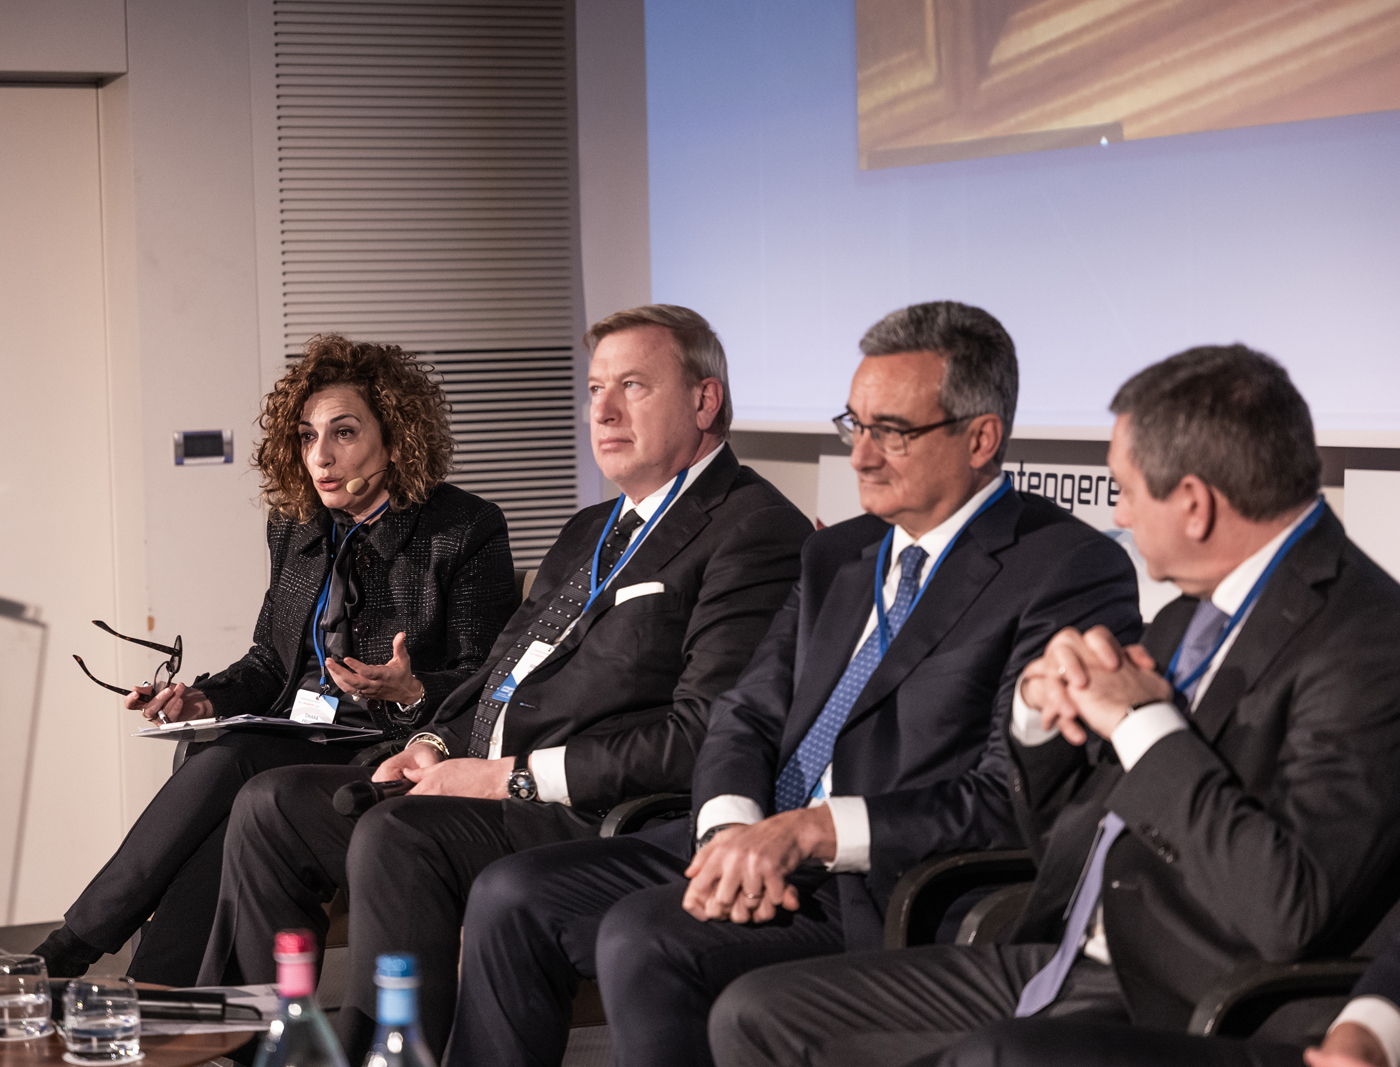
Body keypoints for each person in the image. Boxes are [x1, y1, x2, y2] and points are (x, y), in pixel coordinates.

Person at [446, 300, 1144, 1067]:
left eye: (892, 432)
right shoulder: (838, 553)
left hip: (885, 876)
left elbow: (1007, 793)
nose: (861, 456)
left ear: (980, 437)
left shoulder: (1066, 568)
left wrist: (812, 831)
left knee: (645, 936)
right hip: (754, 833)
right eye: (856, 425)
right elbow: (745, 714)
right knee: (512, 895)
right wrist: (729, 827)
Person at [706, 344, 1400, 1067]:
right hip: (1061, 950)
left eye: (1125, 490)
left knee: (1000, 1056)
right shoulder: (1187, 616)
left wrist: (1141, 723)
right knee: (756, 1015)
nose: (1118, 512)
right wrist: (1039, 716)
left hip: (1188, 994)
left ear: (1194, 505)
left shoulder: (1366, 643)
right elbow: (1062, 834)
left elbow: (1287, 905)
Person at [194, 303, 815, 1061]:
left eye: (633, 387)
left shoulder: (753, 529)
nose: (604, 411)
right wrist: (431, 744)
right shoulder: (590, 527)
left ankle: (383, 1052)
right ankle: (259, 1049)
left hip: (585, 808)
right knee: (271, 806)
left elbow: (701, 734)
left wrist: (505, 777)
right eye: (595, 389)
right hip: (483, 783)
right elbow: (498, 676)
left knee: (399, 834)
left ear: (704, 400)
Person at [33, 334, 518, 986]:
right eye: (306, 436)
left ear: (397, 439)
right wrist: (202, 698)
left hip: (392, 744)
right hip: (299, 733)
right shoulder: (295, 524)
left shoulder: (464, 528)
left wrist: (410, 689)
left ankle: (75, 951)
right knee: (219, 762)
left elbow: (487, 682)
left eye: (343, 433)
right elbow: (269, 660)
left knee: (227, 762)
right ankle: (159, 996)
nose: (320, 457)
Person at [925, 927, 1400, 1067]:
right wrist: (1370, 1032)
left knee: (1004, 1057)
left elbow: (1287, 910)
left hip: (1197, 981)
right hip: (1076, 952)